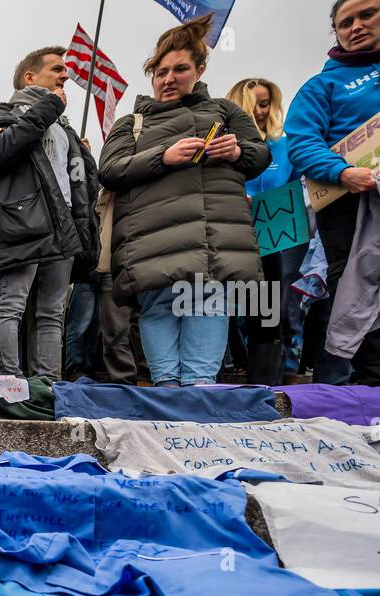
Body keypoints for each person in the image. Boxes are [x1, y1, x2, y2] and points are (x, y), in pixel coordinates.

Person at [99, 15, 269, 387]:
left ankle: (199, 390)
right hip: (153, 236)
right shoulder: (131, 123)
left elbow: (260, 157)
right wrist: (165, 156)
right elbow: (109, 170)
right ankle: (165, 388)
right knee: (160, 306)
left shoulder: (225, 112)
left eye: (179, 69)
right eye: (161, 72)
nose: (168, 79)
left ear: (200, 70)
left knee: (208, 303)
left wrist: (237, 150)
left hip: (214, 234)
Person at [286, 0, 380, 386]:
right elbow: (300, 142)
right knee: (357, 285)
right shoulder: (321, 85)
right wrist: (342, 171)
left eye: (367, 14)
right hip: (353, 199)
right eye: (345, 23)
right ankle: (377, 385)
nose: (357, 27)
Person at [0, 46, 99, 380]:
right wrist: (50, 106)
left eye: (66, 72)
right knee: (11, 305)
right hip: (23, 224)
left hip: (63, 230)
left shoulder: (65, 128)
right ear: (30, 77)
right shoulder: (1, 113)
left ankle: (47, 388)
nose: (65, 76)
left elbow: (82, 186)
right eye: (57, 70)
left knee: (51, 314)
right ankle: (10, 386)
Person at [227, 77, 301, 384]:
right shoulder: (222, 141)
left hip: (272, 236)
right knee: (225, 305)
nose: (260, 110)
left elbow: (295, 190)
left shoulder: (284, 146)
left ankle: (265, 378)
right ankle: (230, 365)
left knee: (268, 307)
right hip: (229, 235)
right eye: (254, 103)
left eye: (265, 102)